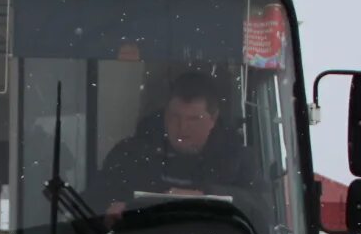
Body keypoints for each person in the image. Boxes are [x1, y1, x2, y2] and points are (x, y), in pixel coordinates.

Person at [95, 71, 259, 225]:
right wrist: (109, 208)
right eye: (175, 117)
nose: (182, 128)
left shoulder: (239, 161)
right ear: (165, 113)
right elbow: (90, 201)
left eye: (193, 119)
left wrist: (207, 195)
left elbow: (264, 212)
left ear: (213, 119)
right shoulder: (129, 155)